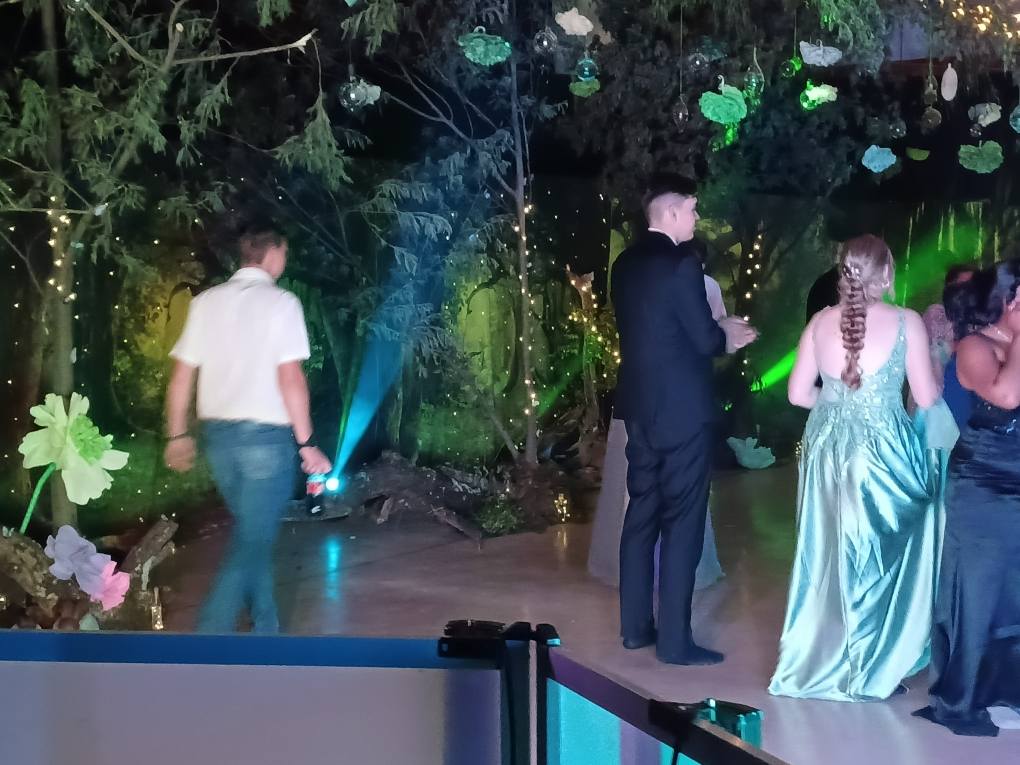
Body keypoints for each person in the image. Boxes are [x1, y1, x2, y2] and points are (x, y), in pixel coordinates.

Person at [769, 234, 951, 701]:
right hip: (880, 448)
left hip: (826, 447)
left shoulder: (819, 322)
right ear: (887, 274)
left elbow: (797, 394)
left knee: (828, 551)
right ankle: (872, 665)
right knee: (883, 547)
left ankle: (821, 661)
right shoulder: (907, 321)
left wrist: (837, 405)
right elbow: (926, 396)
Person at [611, 175, 756, 665]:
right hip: (683, 413)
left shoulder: (624, 264)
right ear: (671, 212)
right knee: (683, 522)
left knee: (641, 514)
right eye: (692, 209)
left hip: (639, 405)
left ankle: (635, 629)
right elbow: (705, 341)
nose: (696, 217)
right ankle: (674, 641)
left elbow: (650, 330)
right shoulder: (681, 264)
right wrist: (727, 331)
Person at [164, 223, 332, 633]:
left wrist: (177, 435)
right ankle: (208, 639)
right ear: (272, 254)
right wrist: (308, 443)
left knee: (251, 534)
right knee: (252, 540)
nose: (285, 261)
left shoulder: (206, 302)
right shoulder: (282, 303)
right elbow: (290, 378)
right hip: (266, 443)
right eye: (284, 253)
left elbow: (182, 376)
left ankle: (266, 627)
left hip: (219, 441)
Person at [915, 262, 1020, 736]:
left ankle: (1009, 687)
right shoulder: (974, 347)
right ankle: (964, 695)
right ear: (1009, 300)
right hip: (985, 484)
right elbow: (1007, 395)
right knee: (979, 591)